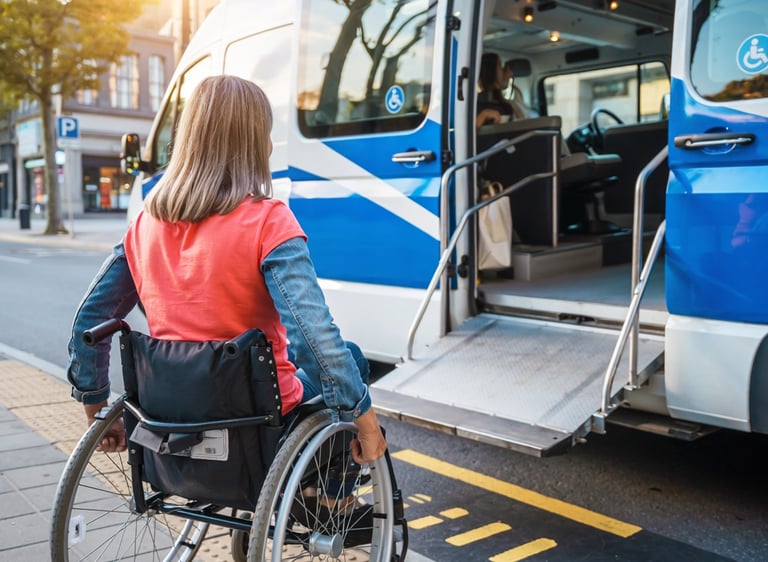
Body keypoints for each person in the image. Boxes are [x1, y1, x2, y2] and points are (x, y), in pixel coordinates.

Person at [66, 75, 387, 470]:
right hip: (253, 415)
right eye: (266, 134)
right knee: (349, 358)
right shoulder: (269, 222)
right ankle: (332, 498)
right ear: (254, 144)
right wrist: (366, 421)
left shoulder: (145, 224)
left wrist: (96, 408)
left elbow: (90, 320)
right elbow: (314, 341)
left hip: (168, 413)